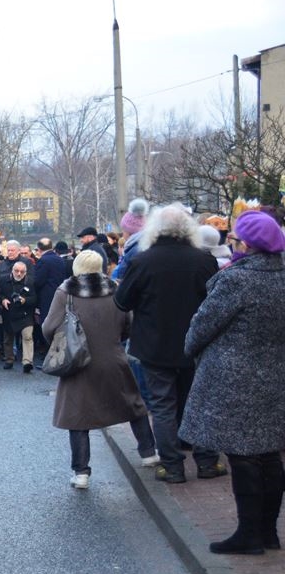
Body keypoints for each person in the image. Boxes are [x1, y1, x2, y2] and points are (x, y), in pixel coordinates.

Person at [180, 210, 285, 554]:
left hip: (234, 379)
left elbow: (202, 326)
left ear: (249, 245)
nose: (234, 243)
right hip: (276, 376)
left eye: (237, 239)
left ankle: (249, 535)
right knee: (269, 453)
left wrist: (191, 348)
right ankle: (268, 532)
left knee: (242, 456)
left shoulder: (237, 280)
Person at [114, 204, 222, 484]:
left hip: (154, 344)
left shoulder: (143, 261)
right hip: (196, 344)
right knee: (198, 403)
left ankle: (172, 466)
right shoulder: (204, 260)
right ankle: (207, 462)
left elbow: (122, 301)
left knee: (162, 407)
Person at [42, 251, 155, 490]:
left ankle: (81, 472)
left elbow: (49, 327)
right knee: (133, 404)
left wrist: (63, 343)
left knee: (77, 416)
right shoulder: (115, 289)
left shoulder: (66, 292)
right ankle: (148, 453)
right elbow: (129, 324)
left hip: (78, 360)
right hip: (113, 358)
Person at [0, 261, 36, 372]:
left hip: (25, 314)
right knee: (8, 338)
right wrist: (3, 299)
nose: (19, 274)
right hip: (9, 312)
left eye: (22, 272)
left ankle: (27, 362)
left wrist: (25, 300)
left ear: (26, 272)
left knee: (27, 337)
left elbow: (35, 298)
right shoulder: (4, 280)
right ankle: (9, 359)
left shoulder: (30, 282)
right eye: (16, 271)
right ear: (12, 270)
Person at [112, 198, 152, 280]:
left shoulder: (135, 250)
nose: (122, 233)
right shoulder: (137, 247)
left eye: (124, 230)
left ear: (130, 231)